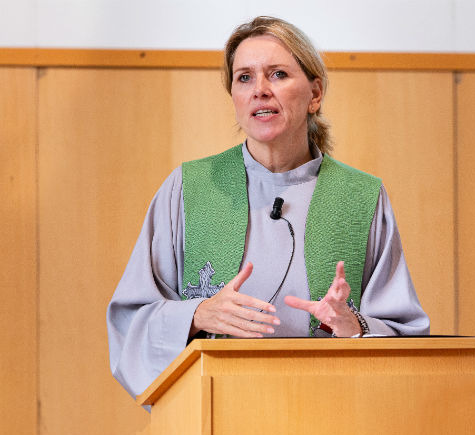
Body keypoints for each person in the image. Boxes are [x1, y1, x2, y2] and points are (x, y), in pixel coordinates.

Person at [107, 16, 429, 400]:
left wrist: (352, 325)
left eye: (277, 74)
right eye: (244, 78)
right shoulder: (188, 188)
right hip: (214, 411)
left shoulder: (360, 197)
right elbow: (130, 324)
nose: (259, 90)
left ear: (315, 94)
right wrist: (196, 315)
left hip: (334, 409)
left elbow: (406, 336)